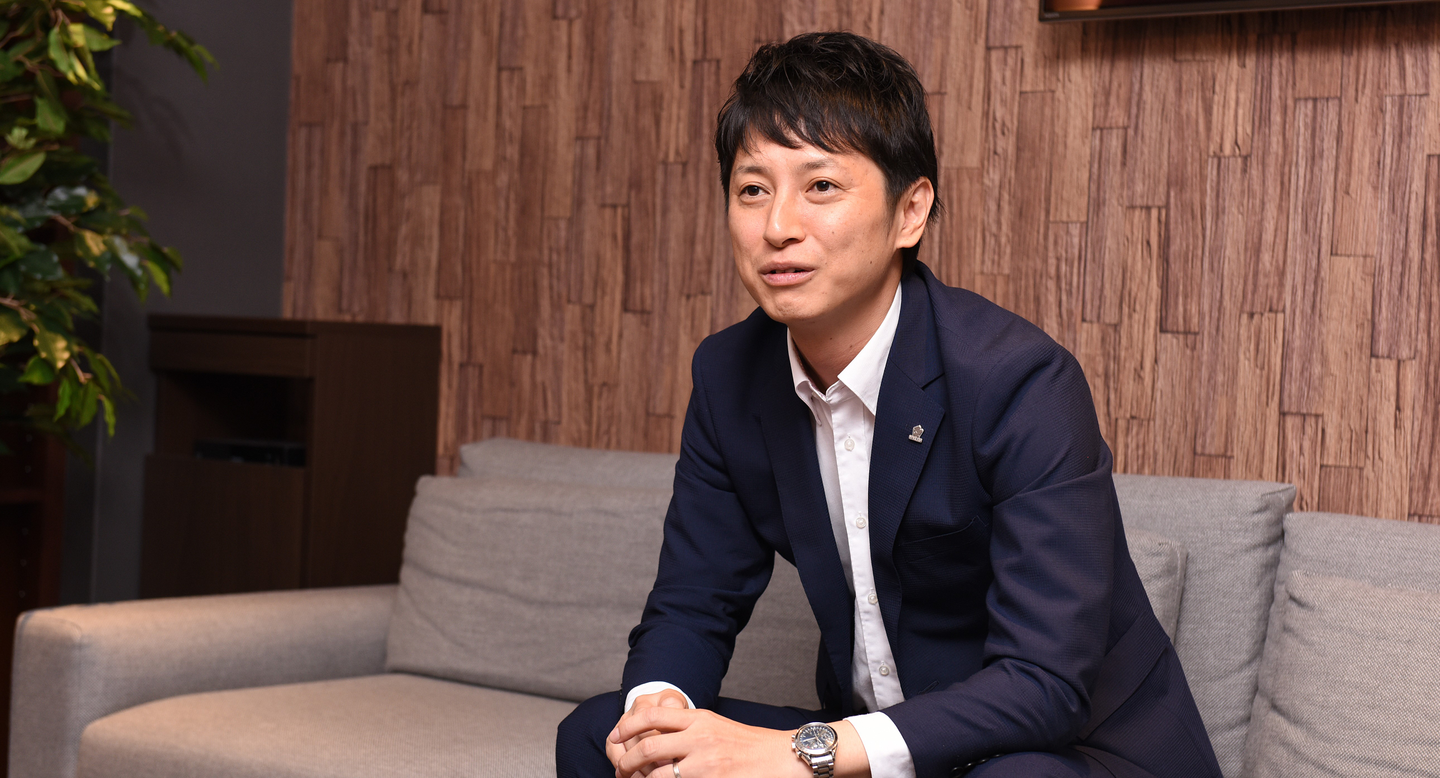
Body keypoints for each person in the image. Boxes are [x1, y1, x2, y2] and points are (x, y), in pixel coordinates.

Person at [556, 31, 1221, 778]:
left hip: (1069, 753)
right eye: (753, 189)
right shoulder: (728, 374)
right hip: (871, 749)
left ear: (911, 212)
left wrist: (802, 753)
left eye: (821, 186)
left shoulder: (1019, 381)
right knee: (600, 736)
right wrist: (657, 719)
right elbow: (693, 602)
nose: (778, 226)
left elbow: (1044, 685)